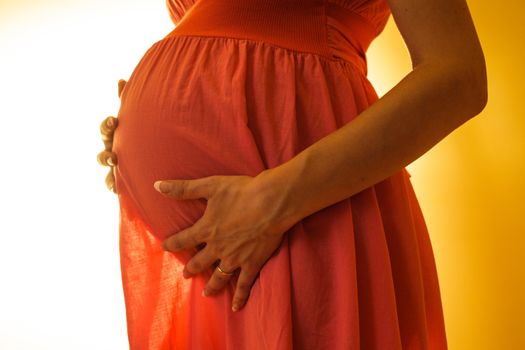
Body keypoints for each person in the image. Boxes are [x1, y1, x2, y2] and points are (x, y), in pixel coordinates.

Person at [97, 0, 487, 348]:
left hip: (304, 205)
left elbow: (457, 74)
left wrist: (272, 202)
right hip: (212, 257)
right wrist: (139, 130)